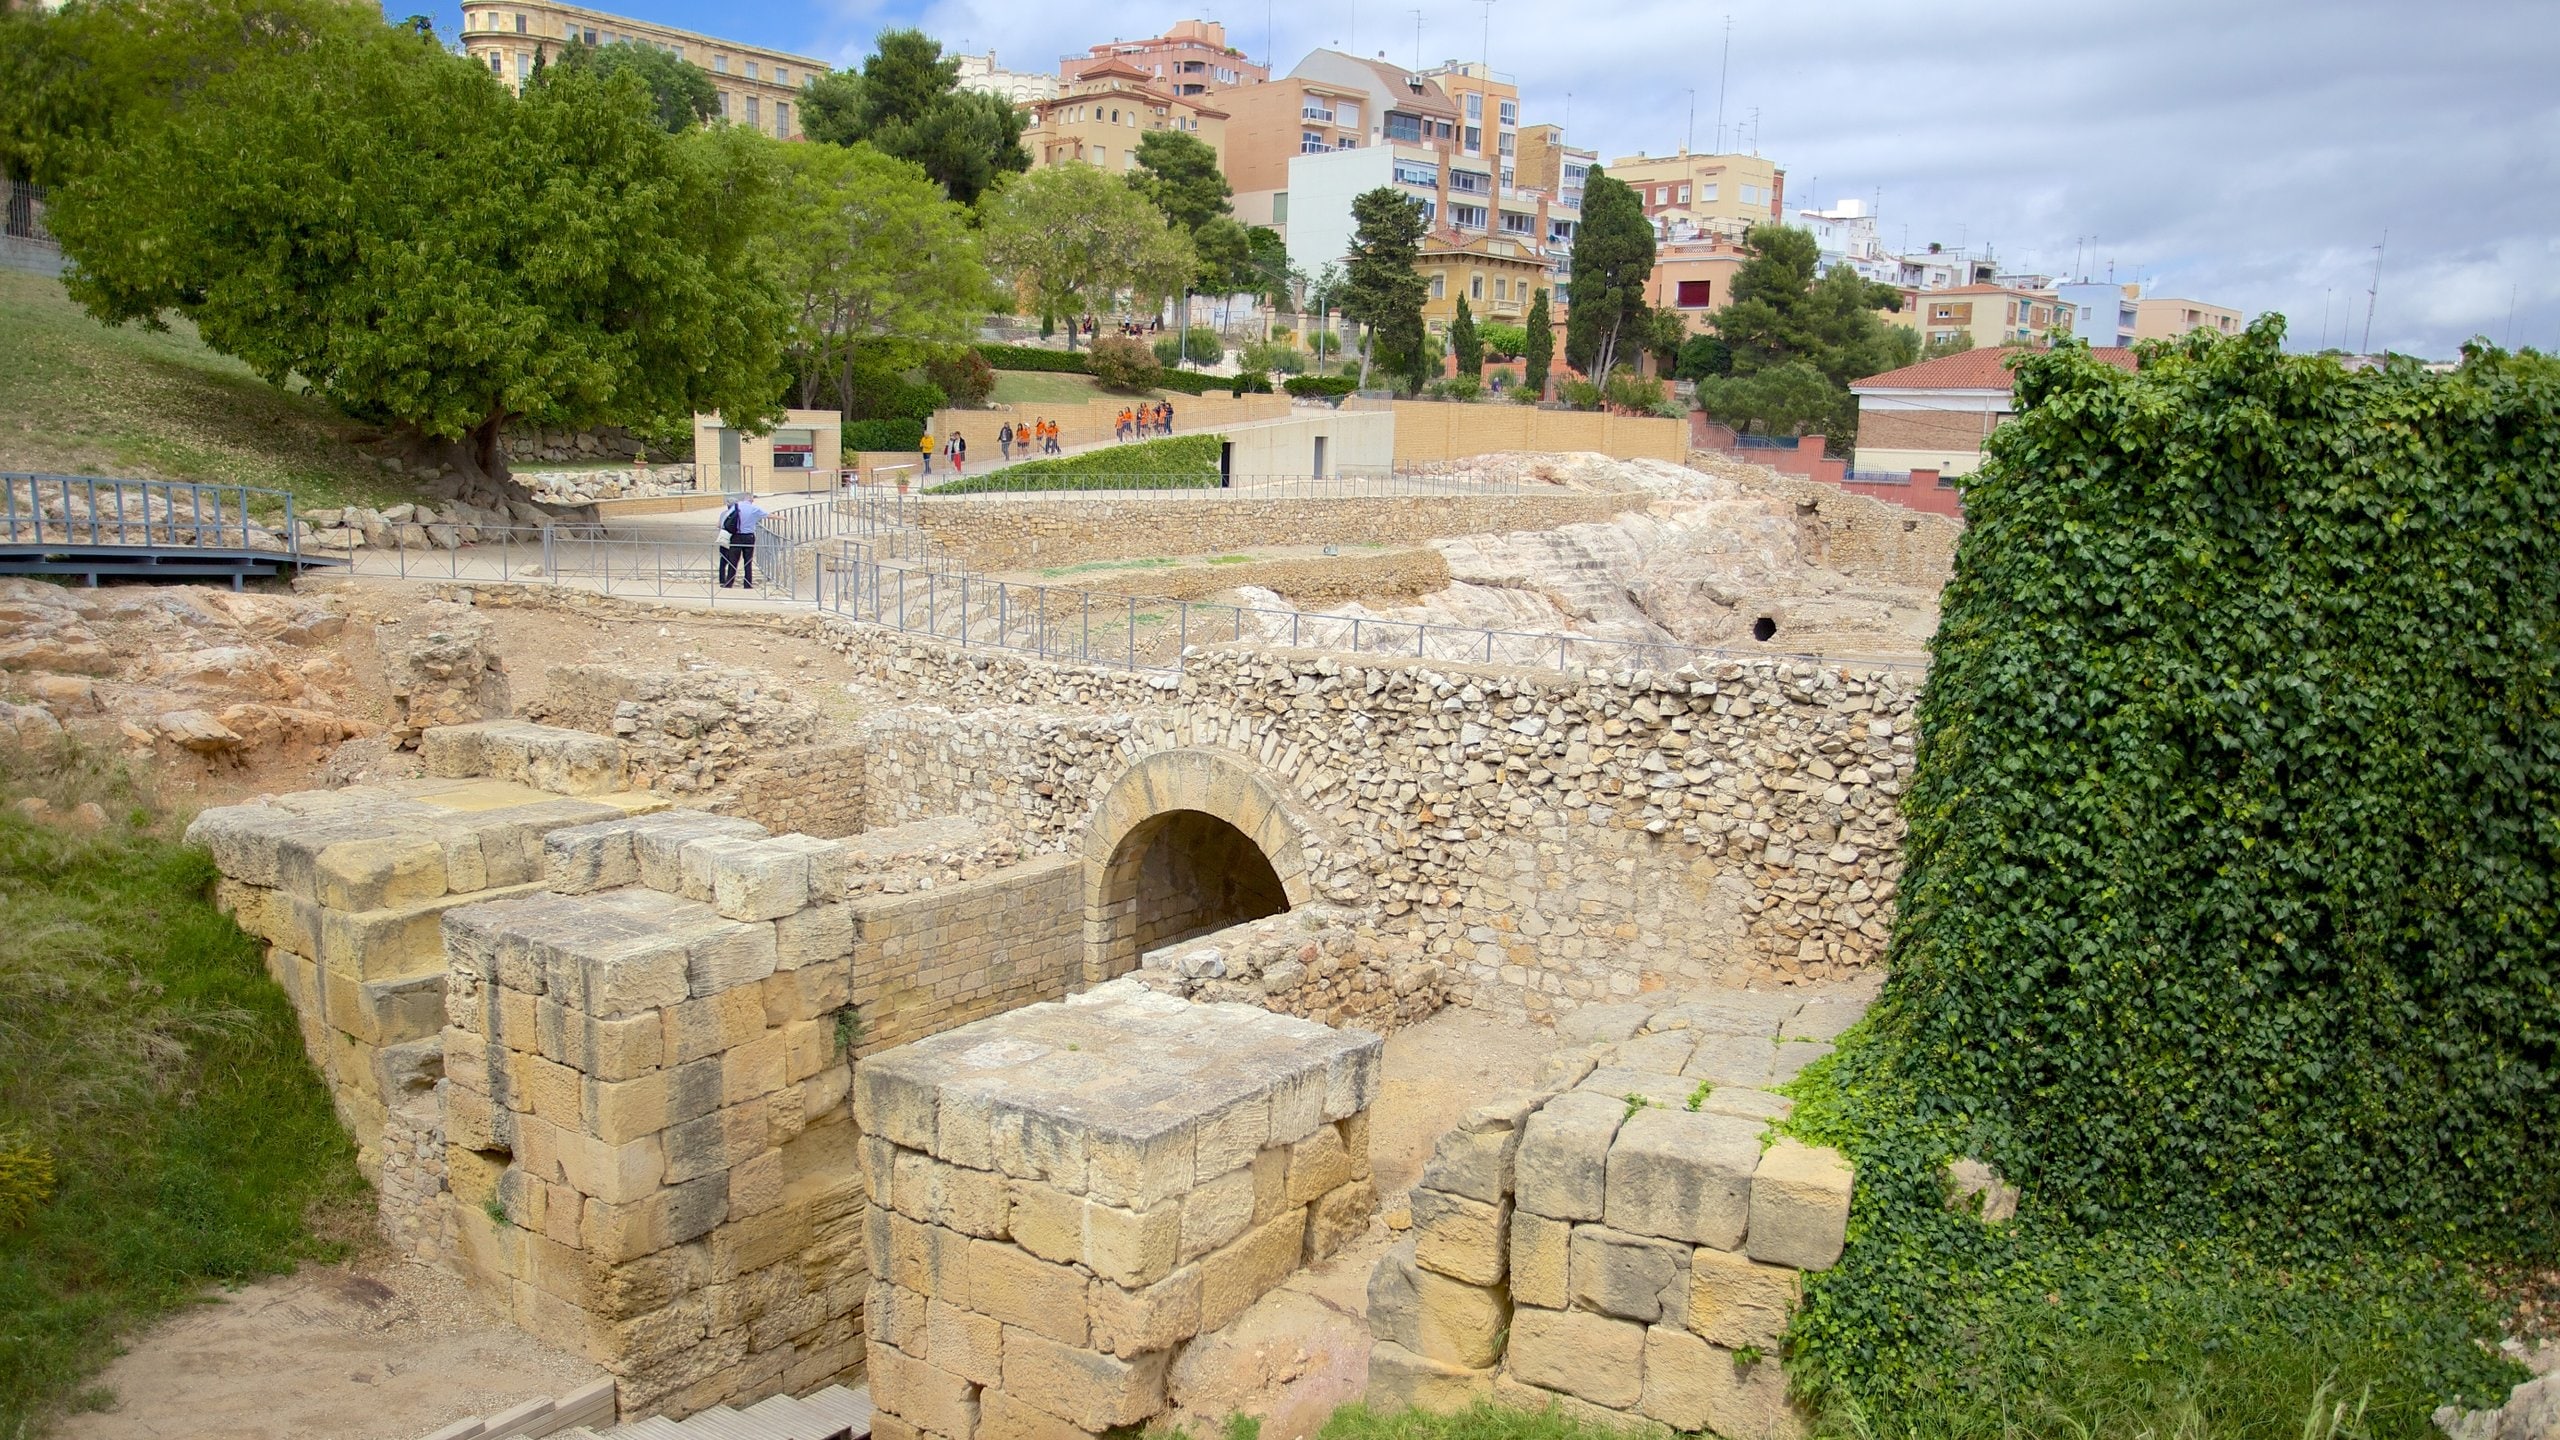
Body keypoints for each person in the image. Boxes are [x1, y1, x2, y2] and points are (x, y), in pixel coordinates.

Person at [717, 489, 765, 588]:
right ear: (751, 499)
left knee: (732, 561)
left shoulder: (733, 509)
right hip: (749, 536)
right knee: (748, 562)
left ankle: (728, 583)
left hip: (735, 536)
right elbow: (763, 516)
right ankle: (747, 584)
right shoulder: (752, 509)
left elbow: (721, 523)